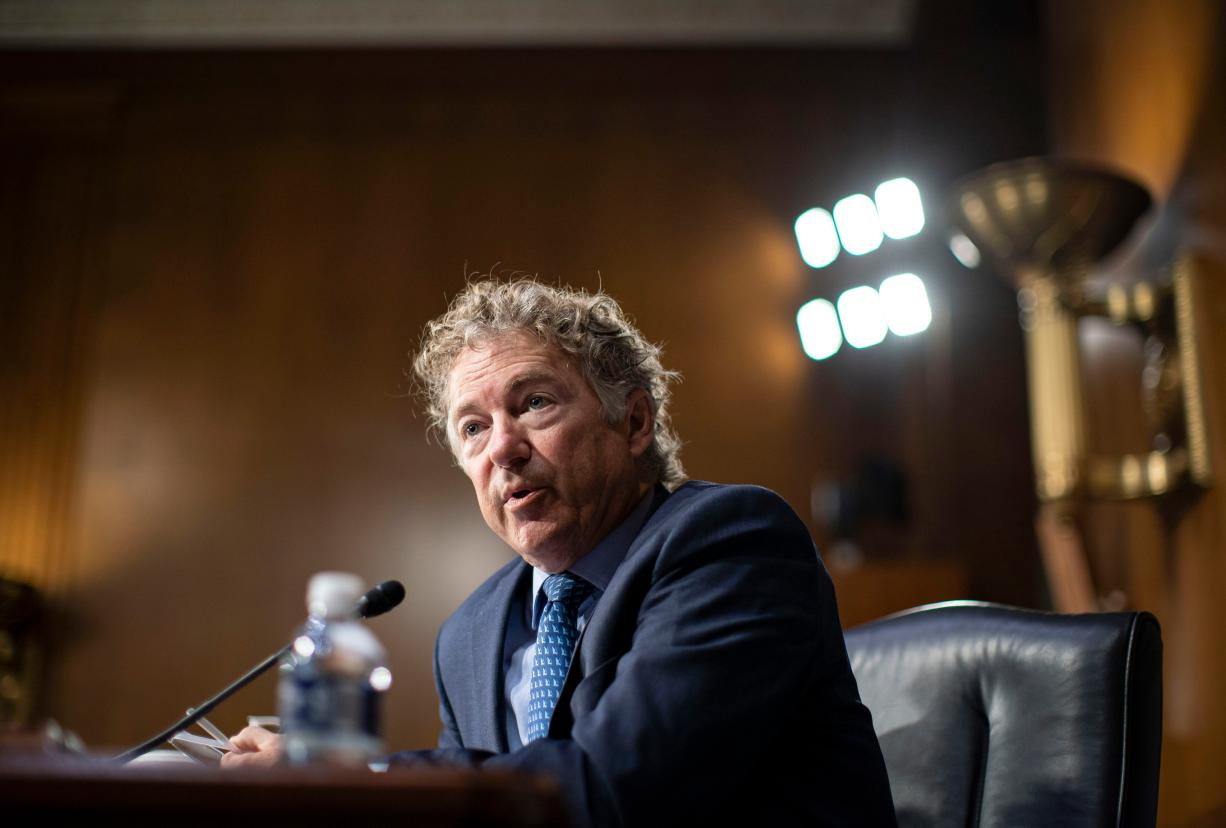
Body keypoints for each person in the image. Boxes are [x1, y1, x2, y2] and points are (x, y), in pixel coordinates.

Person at [226, 278, 897, 827]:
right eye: (473, 427)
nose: (502, 449)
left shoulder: (731, 542)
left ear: (633, 423)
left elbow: (618, 786)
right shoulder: (469, 635)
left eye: (535, 403)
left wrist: (359, 779)